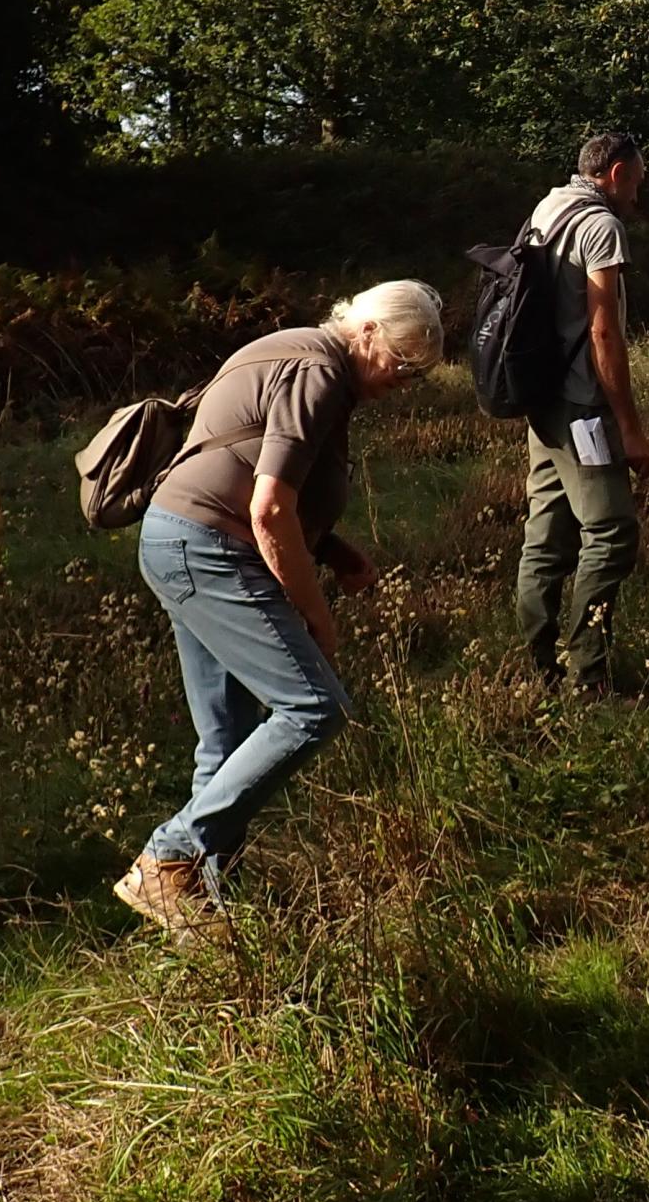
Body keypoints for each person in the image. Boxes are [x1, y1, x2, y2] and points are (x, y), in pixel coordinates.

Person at [118, 281, 446, 940]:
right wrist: (316, 613)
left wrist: (334, 551)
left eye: (418, 375)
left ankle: (206, 915)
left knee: (227, 741)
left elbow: (256, 475)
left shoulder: (300, 355)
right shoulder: (319, 369)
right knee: (314, 707)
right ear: (369, 332)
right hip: (209, 549)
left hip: (182, 540)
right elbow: (268, 508)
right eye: (403, 365)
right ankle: (170, 856)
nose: (403, 382)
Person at [516, 131, 649, 697]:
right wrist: (629, 426)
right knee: (612, 533)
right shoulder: (601, 226)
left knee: (546, 538)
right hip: (581, 410)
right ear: (617, 173)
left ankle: (535, 669)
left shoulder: (547, 208)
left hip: (540, 400)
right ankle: (587, 675)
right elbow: (603, 331)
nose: (639, 196)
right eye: (638, 182)